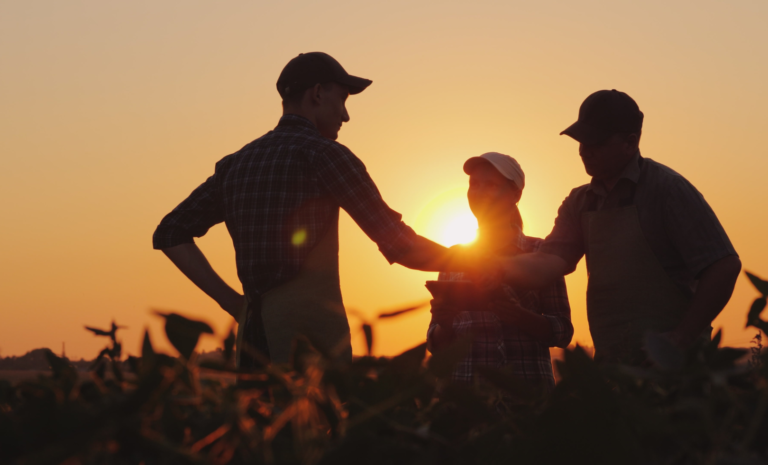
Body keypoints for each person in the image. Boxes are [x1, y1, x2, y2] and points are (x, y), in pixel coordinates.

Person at [153, 52, 474, 367]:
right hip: (312, 352)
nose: (346, 115)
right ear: (318, 94)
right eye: (343, 99)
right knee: (318, 421)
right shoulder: (325, 156)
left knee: (256, 421)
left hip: (252, 346)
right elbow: (400, 245)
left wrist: (235, 305)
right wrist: (477, 264)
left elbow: (170, 232)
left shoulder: (235, 165)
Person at [497, 90, 741, 364]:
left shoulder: (668, 190)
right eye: (580, 140)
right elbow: (548, 263)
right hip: (613, 366)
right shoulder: (579, 202)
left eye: (596, 141)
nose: (584, 149)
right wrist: (488, 266)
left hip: (676, 370)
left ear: (630, 142)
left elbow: (724, 266)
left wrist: (681, 339)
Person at [426, 153, 573, 389]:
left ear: (516, 194)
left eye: (491, 185)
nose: (480, 192)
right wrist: (445, 322)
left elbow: (563, 332)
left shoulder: (541, 253)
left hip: (527, 396)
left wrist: (519, 316)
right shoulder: (452, 257)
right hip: (466, 397)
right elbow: (436, 343)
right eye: (474, 184)